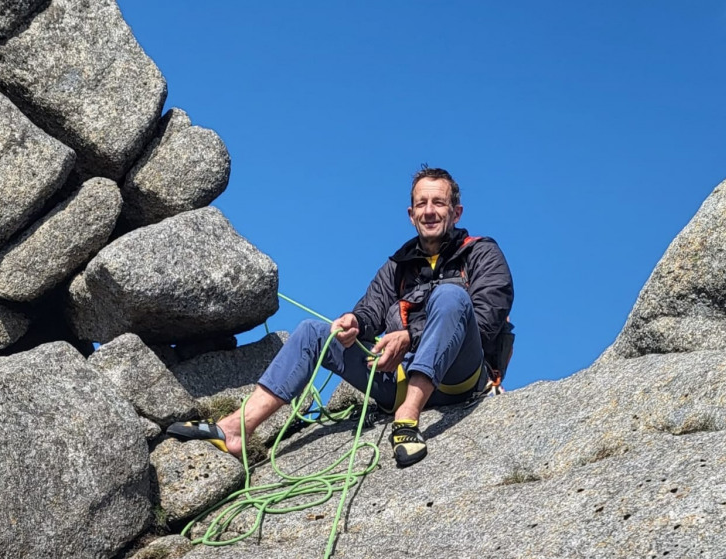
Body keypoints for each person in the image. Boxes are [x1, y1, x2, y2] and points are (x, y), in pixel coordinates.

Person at [168, 166, 514, 467]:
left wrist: (411, 338)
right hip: (395, 379)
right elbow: (371, 310)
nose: (429, 211)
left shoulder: (481, 253)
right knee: (312, 333)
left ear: (456, 212)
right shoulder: (398, 265)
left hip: (458, 379)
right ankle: (234, 429)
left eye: (438, 203)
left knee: (451, 296)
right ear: (411, 214)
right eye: (421, 204)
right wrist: (354, 322)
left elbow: (486, 321)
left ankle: (407, 419)